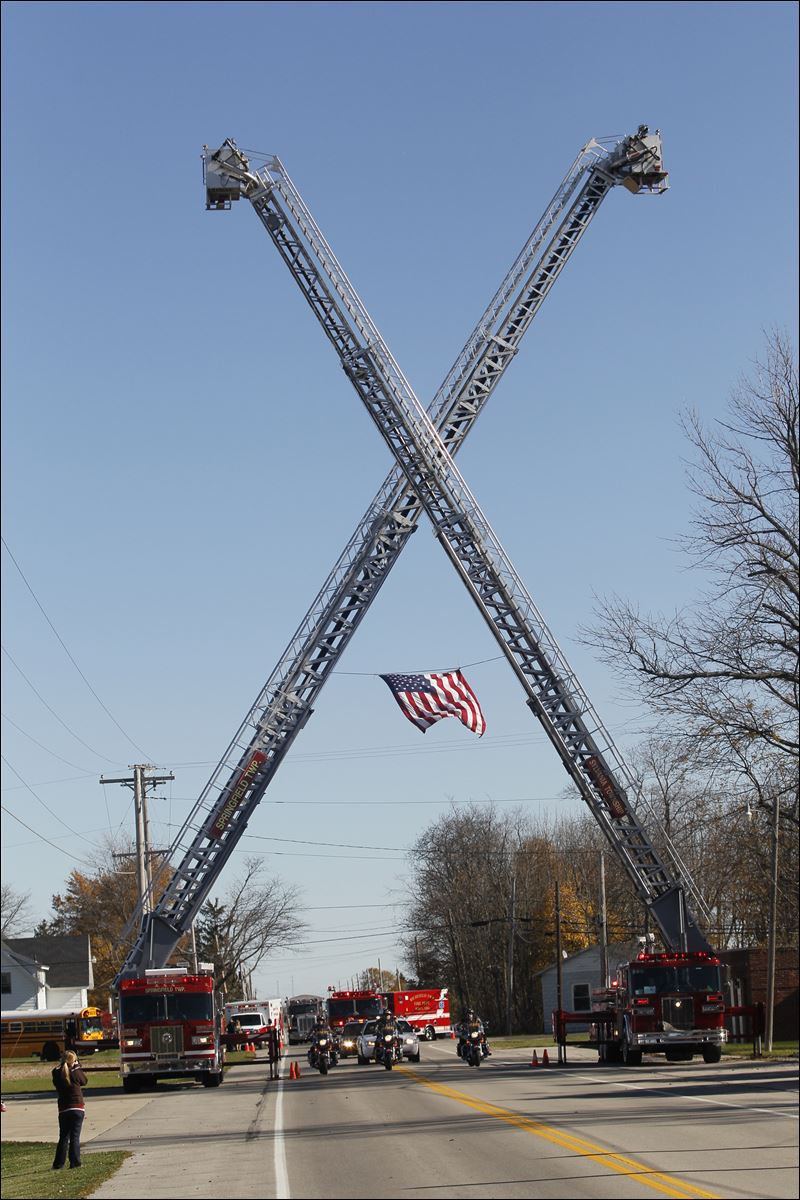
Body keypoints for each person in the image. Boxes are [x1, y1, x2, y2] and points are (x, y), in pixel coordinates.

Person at [51, 1050, 88, 1170]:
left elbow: (56, 1080)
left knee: (63, 1137)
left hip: (64, 1108)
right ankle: (75, 1162)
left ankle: (58, 1164)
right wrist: (77, 1067)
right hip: (77, 1107)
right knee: (74, 1137)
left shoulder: (56, 1072)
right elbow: (84, 1081)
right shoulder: (76, 1071)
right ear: (74, 1060)